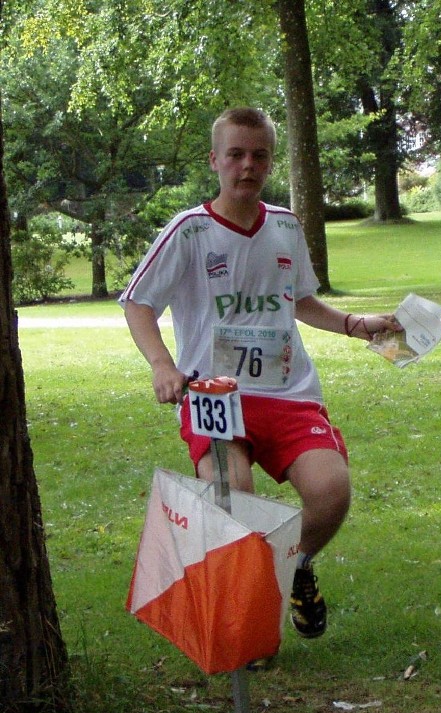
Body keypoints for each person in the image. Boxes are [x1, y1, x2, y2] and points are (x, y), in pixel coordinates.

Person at [119, 107, 402, 646]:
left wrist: (354, 325)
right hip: (215, 395)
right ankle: (247, 634)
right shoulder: (190, 231)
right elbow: (138, 304)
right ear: (215, 160)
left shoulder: (286, 226)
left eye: (260, 155)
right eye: (236, 154)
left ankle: (296, 566)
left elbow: (299, 301)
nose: (248, 166)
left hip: (289, 393)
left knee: (330, 492)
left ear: (271, 160)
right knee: (235, 499)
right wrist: (162, 365)